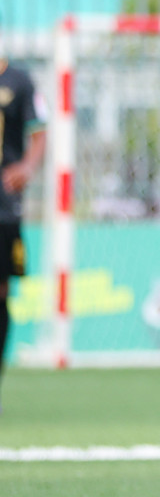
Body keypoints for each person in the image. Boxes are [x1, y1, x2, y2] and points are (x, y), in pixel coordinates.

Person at [0, 53, 46, 415]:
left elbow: (39, 131)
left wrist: (27, 167)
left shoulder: (20, 80)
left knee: (1, 291)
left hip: (4, 206)